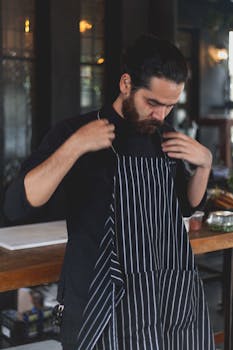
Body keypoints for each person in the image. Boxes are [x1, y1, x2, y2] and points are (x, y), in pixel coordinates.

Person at [4, 34, 215, 350]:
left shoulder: (167, 138)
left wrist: (205, 166)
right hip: (95, 299)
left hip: (162, 296)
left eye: (170, 106)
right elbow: (18, 204)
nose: (161, 116)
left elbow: (185, 206)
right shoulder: (73, 131)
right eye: (153, 103)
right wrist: (74, 146)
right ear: (126, 84)